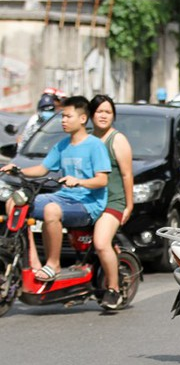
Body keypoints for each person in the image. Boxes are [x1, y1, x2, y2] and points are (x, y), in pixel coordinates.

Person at [1, 96, 111, 282]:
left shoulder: (95, 146)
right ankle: (32, 261)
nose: (63, 121)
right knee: (15, 202)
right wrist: (18, 170)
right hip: (63, 198)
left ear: (82, 119)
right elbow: (42, 169)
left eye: (68, 116)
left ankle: (53, 264)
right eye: (62, 117)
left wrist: (79, 181)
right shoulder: (62, 145)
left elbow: (102, 180)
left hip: (88, 204)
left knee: (51, 210)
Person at [89, 94, 134, 309]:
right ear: (90, 115)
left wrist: (129, 205)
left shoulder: (117, 140)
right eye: (99, 111)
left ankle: (113, 290)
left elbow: (127, 175)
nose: (103, 116)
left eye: (108, 112)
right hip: (89, 202)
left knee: (101, 243)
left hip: (113, 202)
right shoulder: (87, 139)